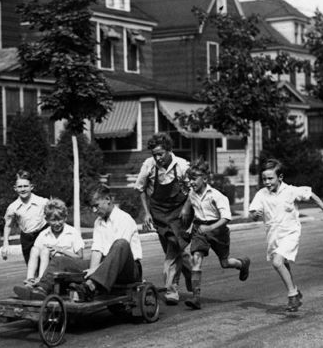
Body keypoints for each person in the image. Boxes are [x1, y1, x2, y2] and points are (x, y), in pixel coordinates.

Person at [13, 184, 143, 302]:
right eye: (91, 207)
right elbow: (97, 250)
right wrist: (92, 269)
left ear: (108, 200)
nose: (93, 210)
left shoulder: (124, 219)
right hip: (103, 265)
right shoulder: (98, 222)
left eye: (96, 206)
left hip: (127, 269)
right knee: (60, 260)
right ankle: (41, 289)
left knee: (121, 243)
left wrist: (95, 272)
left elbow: (119, 254)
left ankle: (91, 286)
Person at [248, 159, 323, 312]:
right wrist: (255, 215)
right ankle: (295, 289)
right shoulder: (261, 194)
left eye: (270, 178)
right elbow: (253, 214)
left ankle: (292, 295)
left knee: (277, 262)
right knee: (283, 263)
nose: (267, 182)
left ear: (280, 177)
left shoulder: (290, 191)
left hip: (290, 233)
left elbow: (310, 195)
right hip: (273, 235)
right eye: (264, 179)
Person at [180, 159, 250, 310]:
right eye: (189, 179)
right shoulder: (192, 193)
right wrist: (185, 210)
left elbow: (226, 218)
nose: (191, 182)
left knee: (225, 263)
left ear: (205, 179)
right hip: (200, 229)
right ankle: (196, 297)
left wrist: (211, 227)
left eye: (194, 179)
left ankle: (242, 263)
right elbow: (190, 202)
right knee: (196, 259)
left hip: (218, 230)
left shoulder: (217, 196)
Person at [134, 132, 192, 305]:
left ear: (169, 150)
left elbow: (193, 190)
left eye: (161, 154)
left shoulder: (182, 165)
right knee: (176, 250)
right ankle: (190, 276)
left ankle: (171, 289)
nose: (158, 158)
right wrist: (147, 213)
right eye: (155, 155)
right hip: (159, 212)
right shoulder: (149, 165)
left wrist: (187, 208)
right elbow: (140, 189)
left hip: (179, 212)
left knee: (173, 249)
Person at [24, 198, 84, 284]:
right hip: (51, 269)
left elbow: (80, 257)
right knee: (36, 249)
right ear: (47, 220)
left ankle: (42, 281)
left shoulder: (72, 232)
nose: (57, 223)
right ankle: (30, 279)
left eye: (60, 219)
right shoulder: (44, 234)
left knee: (53, 253)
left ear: (65, 218)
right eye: (53, 220)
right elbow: (36, 253)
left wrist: (61, 250)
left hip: (68, 267)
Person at [1, 171, 50, 264]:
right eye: (20, 187)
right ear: (15, 188)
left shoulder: (42, 202)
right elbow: (8, 225)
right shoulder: (13, 207)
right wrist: (5, 244)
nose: (23, 189)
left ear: (31, 187)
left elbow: (56, 216)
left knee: (46, 266)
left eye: (25, 186)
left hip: (43, 234)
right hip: (27, 239)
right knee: (31, 266)